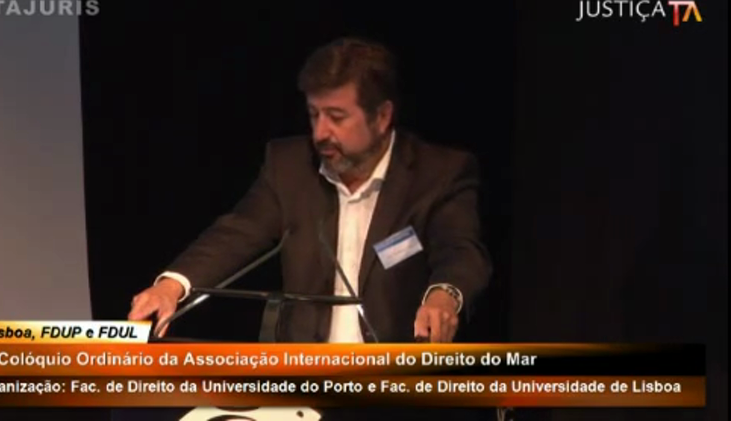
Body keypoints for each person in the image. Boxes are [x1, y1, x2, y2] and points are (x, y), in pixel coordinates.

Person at [128, 37, 492, 344]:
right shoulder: (290, 167)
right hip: (303, 379)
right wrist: (171, 287)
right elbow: (238, 232)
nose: (320, 133)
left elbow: (459, 250)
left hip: (392, 383)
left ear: (382, 117)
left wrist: (444, 295)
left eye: (336, 117)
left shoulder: (437, 173)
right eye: (314, 114)